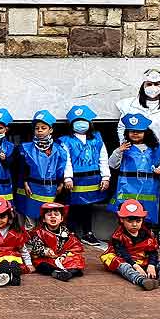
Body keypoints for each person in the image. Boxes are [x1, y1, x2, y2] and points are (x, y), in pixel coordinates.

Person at [115, 68, 160, 250]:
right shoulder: (130, 106)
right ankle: (137, 231)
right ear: (142, 86)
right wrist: (128, 147)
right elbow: (122, 127)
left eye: (156, 84)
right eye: (149, 84)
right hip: (137, 156)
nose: (153, 88)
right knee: (138, 194)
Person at [100, 199, 160, 291]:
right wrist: (136, 266)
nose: (134, 224)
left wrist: (151, 265)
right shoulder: (118, 236)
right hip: (125, 260)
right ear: (122, 219)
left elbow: (152, 251)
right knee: (124, 267)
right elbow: (123, 254)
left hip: (142, 259)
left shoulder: (146, 234)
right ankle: (141, 280)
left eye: (138, 221)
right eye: (130, 221)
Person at [109, 113, 160, 233]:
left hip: (149, 187)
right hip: (127, 187)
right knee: (127, 212)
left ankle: (146, 238)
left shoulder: (156, 148)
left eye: (139, 131)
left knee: (147, 213)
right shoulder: (124, 148)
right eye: (132, 131)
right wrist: (118, 151)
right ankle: (124, 238)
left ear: (146, 132)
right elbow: (112, 164)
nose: (135, 134)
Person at [58, 105, 110, 248]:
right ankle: (72, 233)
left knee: (88, 207)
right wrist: (67, 177)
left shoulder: (97, 139)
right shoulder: (65, 140)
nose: (81, 124)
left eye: (84, 120)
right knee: (74, 206)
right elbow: (66, 160)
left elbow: (103, 158)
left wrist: (106, 177)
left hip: (93, 179)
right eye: (77, 120)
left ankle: (88, 232)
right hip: (76, 180)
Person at [13, 110, 69, 225]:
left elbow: (60, 168)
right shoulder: (26, 148)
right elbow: (22, 167)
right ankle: (30, 240)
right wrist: (25, 182)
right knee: (30, 215)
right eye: (37, 128)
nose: (39, 131)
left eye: (43, 128)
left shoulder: (59, 149)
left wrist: (61, 183)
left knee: (47, 215)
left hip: (50, 189)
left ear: (51, 130)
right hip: (31, 187)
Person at [28, 203, 85, 282]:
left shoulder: (67, 232)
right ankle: (55, 272)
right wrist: (46, 251)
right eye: (49, 214)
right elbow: (35, 248)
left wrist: (64, 256)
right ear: (43, 219)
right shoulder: (39, 232)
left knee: (77, 261)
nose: (53, 216)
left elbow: (73, 246)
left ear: (61, 218)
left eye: (56, 214)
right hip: (47, 258)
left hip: (62, 257)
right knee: (42, 266)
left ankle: (69, 273)